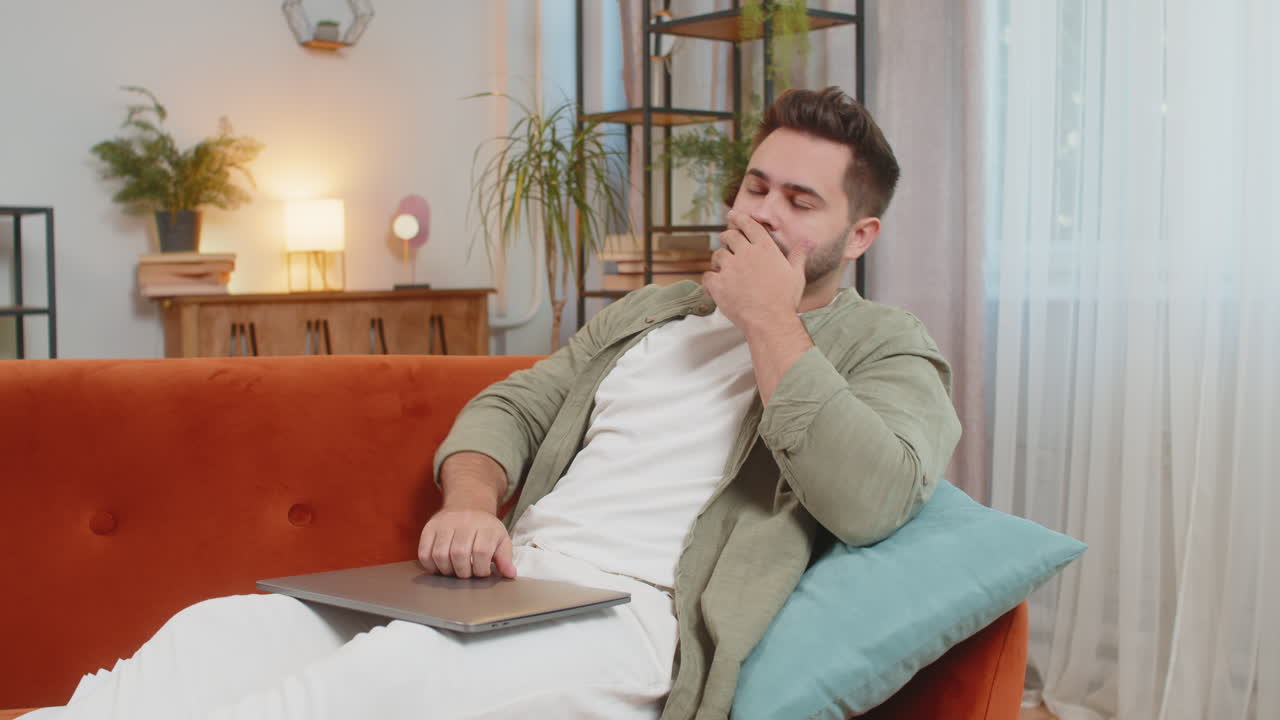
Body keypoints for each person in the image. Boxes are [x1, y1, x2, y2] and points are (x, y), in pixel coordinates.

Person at [33, 87, 960, 720]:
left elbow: (875, 495)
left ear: (860, 232)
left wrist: (768, 320)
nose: (761, 213)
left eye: (800, 201)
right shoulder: (653, 313)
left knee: (381, 684)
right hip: (512, 585)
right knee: (223, 634)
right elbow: (512, 405)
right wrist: (471, 504)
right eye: (755, 186)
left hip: (637, 620)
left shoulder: (887, 349)